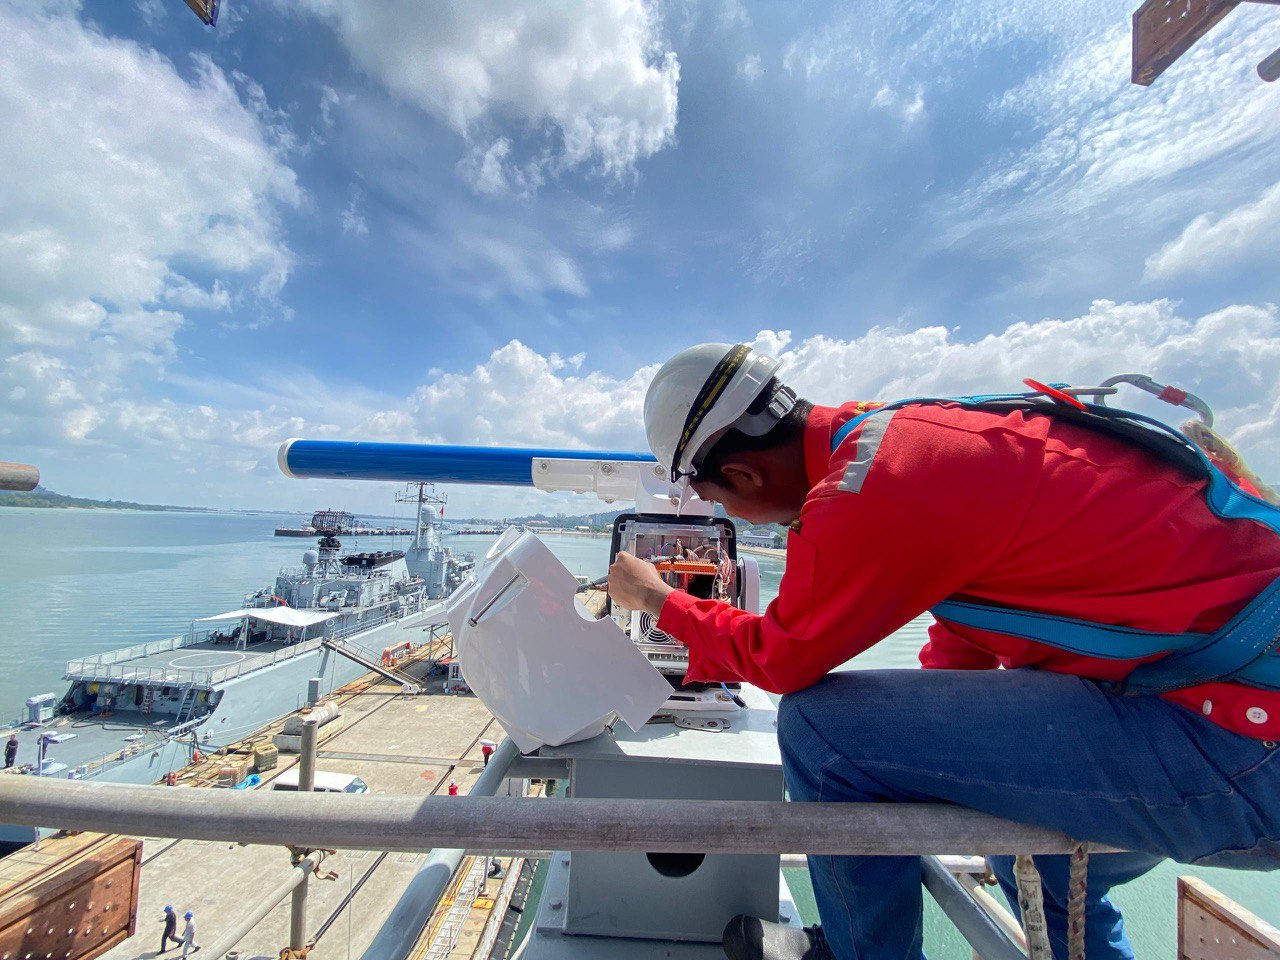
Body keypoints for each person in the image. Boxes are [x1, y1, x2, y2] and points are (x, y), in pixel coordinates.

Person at [608, 342, 1280, 960]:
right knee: (1038, 858)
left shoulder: (867, 490)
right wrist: (914, 757)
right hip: (1225, 715)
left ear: (743, 473)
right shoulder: (910, 437)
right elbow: (974, 620)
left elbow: (778, 659)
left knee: (821, 728)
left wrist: (656, 597)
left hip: (1238, 747)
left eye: (720, 500)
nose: (735, 518)